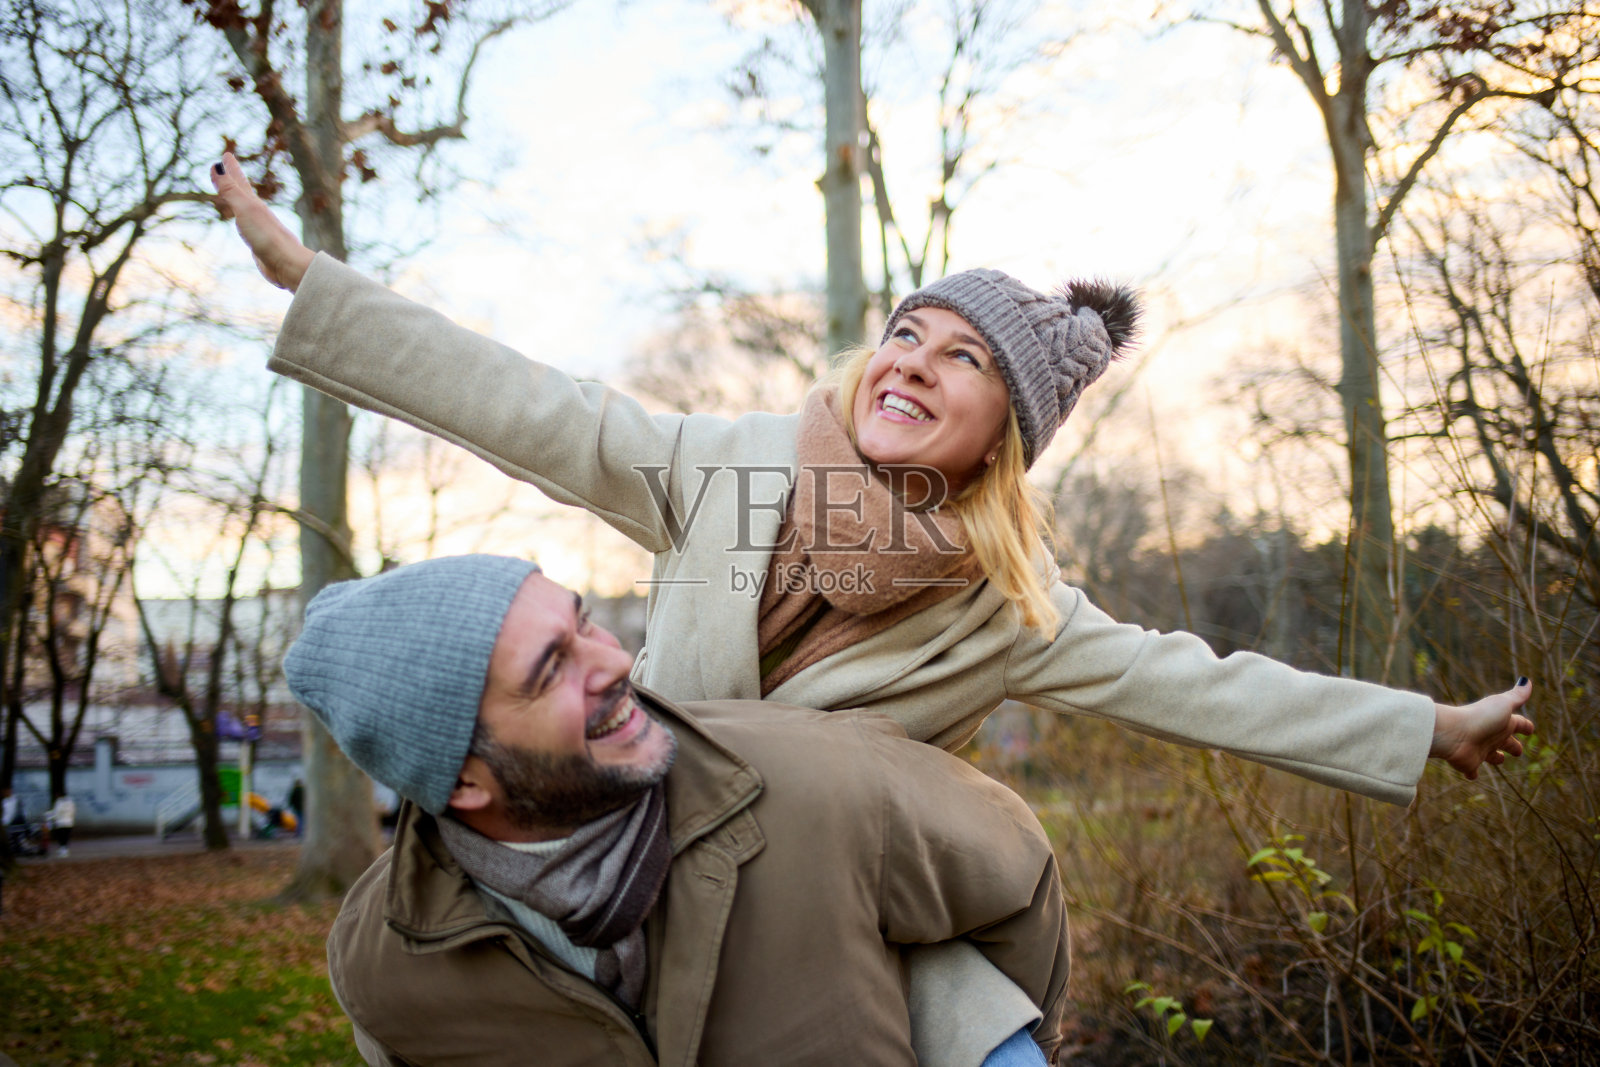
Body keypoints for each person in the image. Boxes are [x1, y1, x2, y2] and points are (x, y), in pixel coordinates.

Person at [210, 152, 1535, 1063]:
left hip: (838, 926)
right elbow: (529, 403)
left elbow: (1208, 681)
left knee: (983, 1035)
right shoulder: (722, 465)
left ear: (997, 440)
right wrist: (310, 283)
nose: (918, 359)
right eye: (911, 330)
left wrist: (1426, 724)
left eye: (966, 361)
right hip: (628, 870)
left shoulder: (1008, 609)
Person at [286, 554, 1070, 1066]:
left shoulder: (825, 779)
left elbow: (1017, 882)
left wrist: (1002, 1043)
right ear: (462, 784)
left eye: (582, 622)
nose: (615, 662)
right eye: (551, 668)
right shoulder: (388, 966)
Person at [46, 793, 75, 858]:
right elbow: (73, 812)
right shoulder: (71, 802)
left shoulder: (59, 802)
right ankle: (65, 849)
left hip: (60, 823)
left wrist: (49, 816)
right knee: (66, 837)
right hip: (69, 822)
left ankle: (62, 849)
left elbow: (56, 813)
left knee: (61, 837)